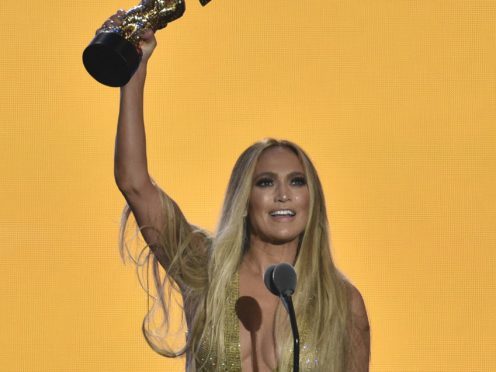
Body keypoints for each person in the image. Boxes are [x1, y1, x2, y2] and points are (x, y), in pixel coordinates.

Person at [108, 10, 370, 372]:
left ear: (313, 200)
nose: (283, 194)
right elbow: (134, 183)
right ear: (245, 200)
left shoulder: (342, 302)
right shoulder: (205, 270)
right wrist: (133, 75)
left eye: (297, 181)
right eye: (265, 182)